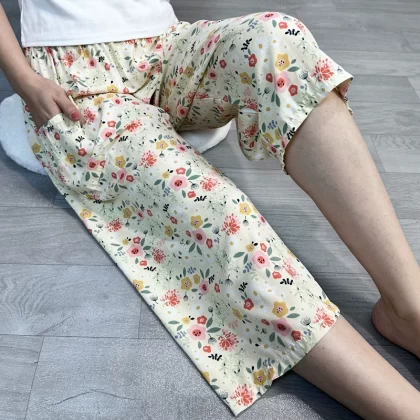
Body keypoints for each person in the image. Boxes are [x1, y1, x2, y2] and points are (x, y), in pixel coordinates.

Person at [1, 1, 419, 418]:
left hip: (165, 44)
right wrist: (23, 79)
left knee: (278, 40)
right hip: (73, 80)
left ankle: (409, 307)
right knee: (217, 211)